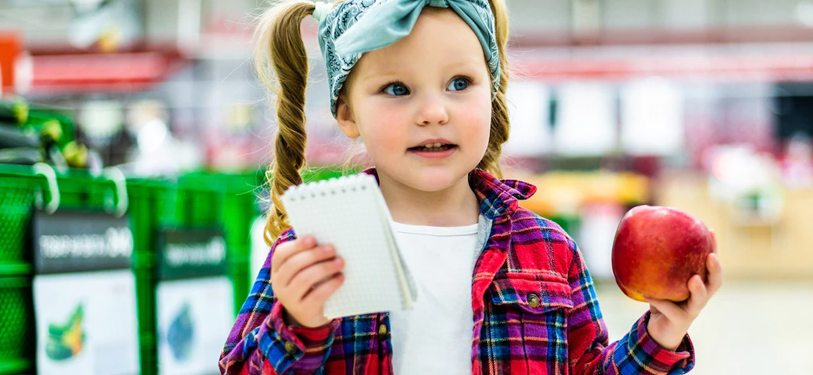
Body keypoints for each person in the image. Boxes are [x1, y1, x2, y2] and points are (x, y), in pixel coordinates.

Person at [219, 0, 723, 374]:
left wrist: (663, 331)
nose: (435, 111)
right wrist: (299, 326)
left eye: (459, 83)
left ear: (493, 92)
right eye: (397, 89)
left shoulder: (548, 251)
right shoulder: (315, 249)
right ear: (347, 113)